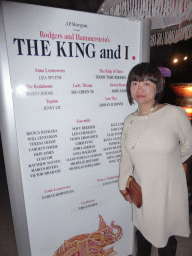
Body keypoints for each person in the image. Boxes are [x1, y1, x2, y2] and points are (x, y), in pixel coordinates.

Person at [119, 63, 192, 256]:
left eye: (146, 83)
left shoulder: (174, 114)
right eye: (135, 83)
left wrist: (172, 163)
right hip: (142, 187)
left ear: (157, 86)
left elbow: (189, 145)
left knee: (165, 237)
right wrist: (122, 186)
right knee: (142, 231)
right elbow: (126, 157)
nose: (140, 88)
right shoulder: (129, 121)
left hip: (168, 187)